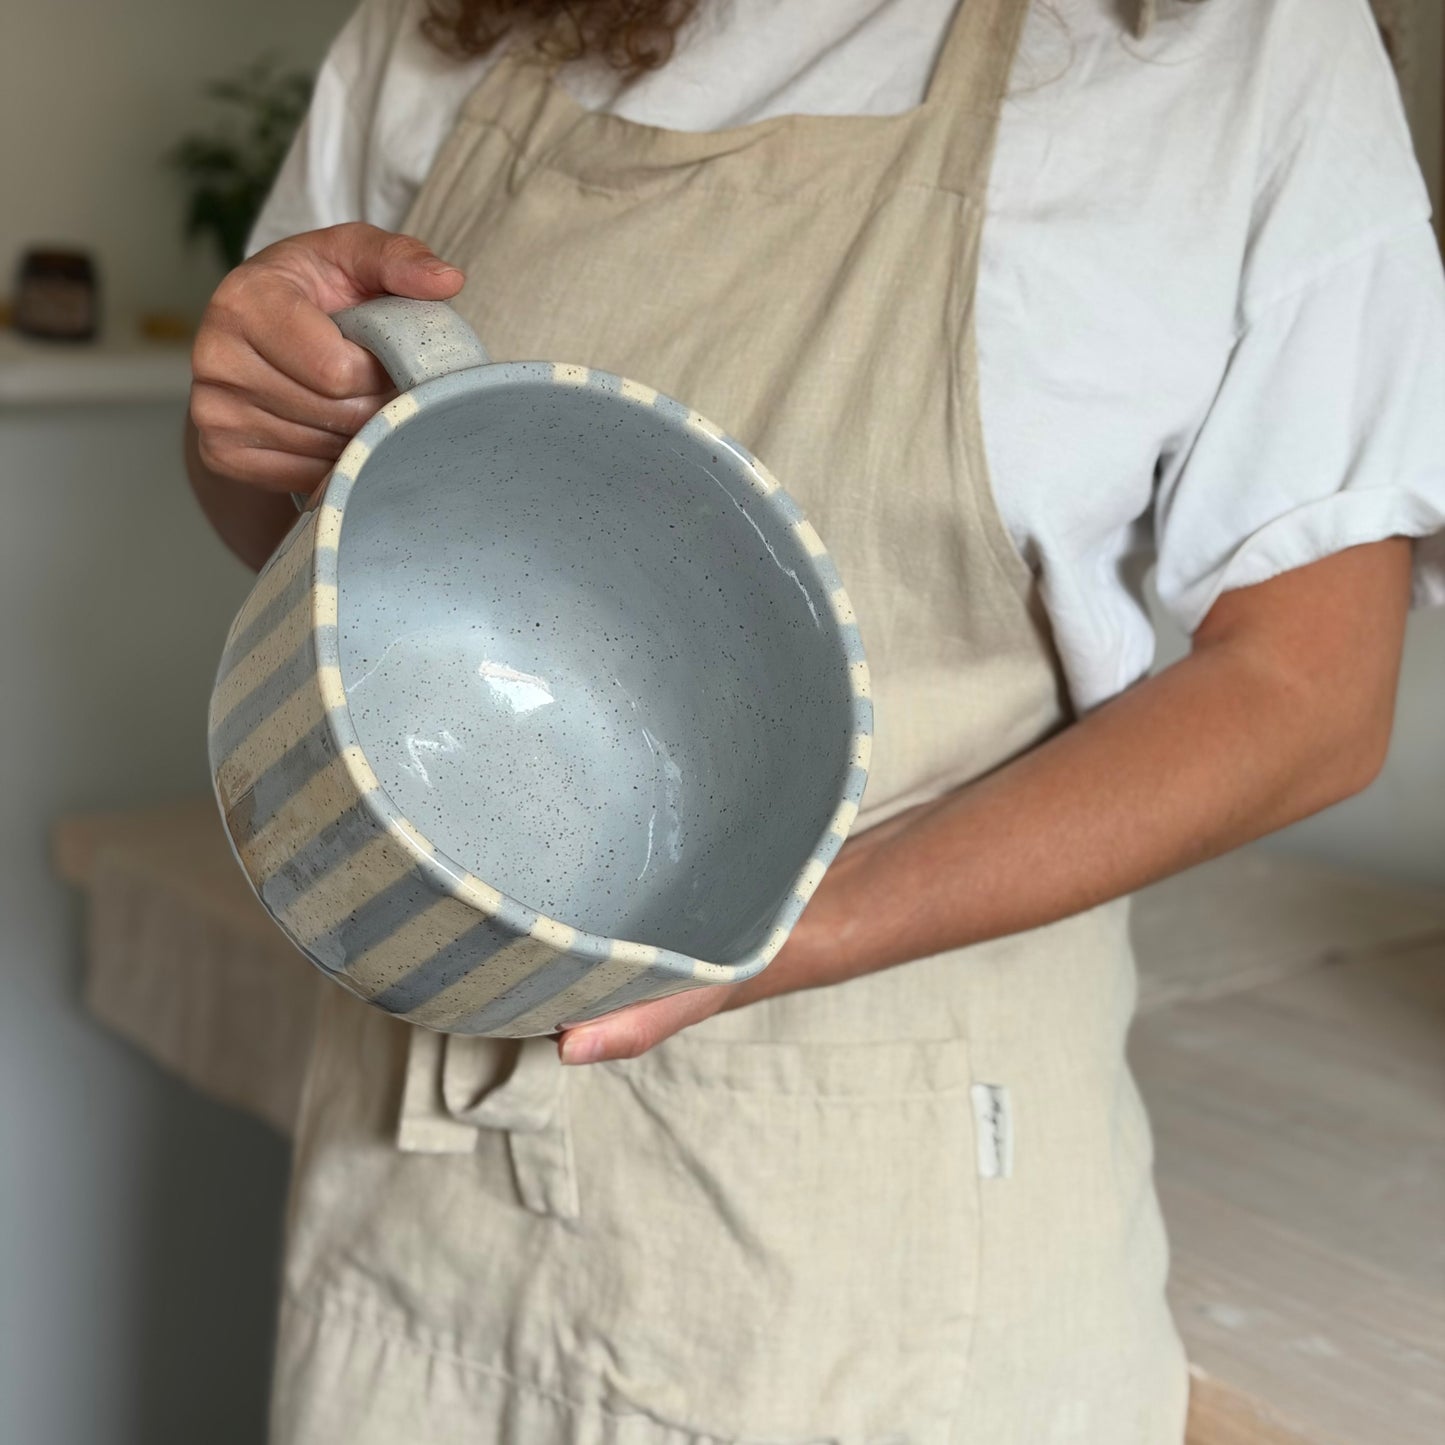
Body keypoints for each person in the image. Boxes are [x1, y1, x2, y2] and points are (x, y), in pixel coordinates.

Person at [186, 0, 1445, 1440]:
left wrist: (779, 932)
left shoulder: (1238, 51)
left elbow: (1306, 691)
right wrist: (240, 417)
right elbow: (318, 552)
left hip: (871, 1263)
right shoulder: (443, 31)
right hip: (419, 1223)